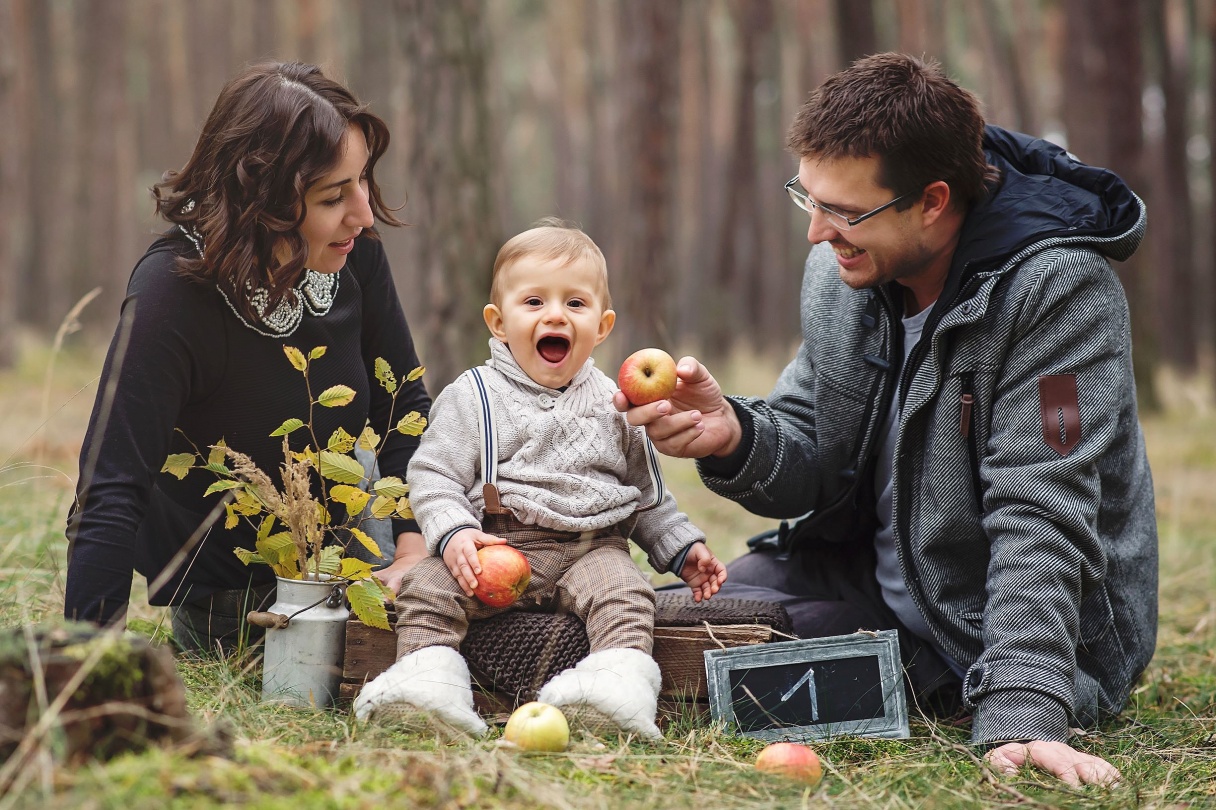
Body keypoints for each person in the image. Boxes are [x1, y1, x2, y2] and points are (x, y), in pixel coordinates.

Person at [617, 53, 1155, 786]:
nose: (815, 233)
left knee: (718, 654)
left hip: (985, 630)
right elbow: (814, 444)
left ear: (932, 200)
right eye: (807, 198)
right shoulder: (848, 267)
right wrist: (736, 437)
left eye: (842, 211)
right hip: (869, 571)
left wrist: (1023, 709)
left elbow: (1043, 511)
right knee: (672, 609)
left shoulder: (1060, 294)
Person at [64, 61, 431, 654]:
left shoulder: (350, 250)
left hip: (369, 558)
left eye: (362, 181)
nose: (363, 214)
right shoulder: (172, 295)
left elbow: (403, 409)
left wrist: (414, 549)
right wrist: (88, 675)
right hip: (239, 606)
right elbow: (112, 489)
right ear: (263, 200)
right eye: (334, 196)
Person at [354, 219, 727, 738]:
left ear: (602, 326)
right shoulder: (472, 397)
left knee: (627, 593)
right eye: (534, 302)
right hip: (494, 546)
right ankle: (426, 688)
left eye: (575, 304)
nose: (555, 314)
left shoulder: (619, 405)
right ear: (498, 321)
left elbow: (647, 497)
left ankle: (611, 692)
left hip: (591, 549)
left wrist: (683, 550)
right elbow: (432, 474)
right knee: (429, 587)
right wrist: (455, 533)